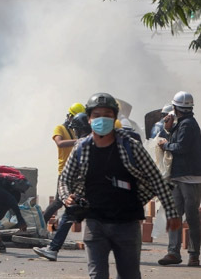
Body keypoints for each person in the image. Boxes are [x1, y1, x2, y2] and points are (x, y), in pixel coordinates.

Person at [59, 92, 181, 278]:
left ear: (114, 117)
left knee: (129, 275)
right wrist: (66, 196)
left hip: (127, 224)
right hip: (95, 223)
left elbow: (156, 178)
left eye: (107, 115)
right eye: (96, 115)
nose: (102, 120)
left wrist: (171, 213)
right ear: (89, 119)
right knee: (97, 275)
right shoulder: (81, 148)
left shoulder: (130, 147)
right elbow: (65, 179)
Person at [34, 111, 90, 261]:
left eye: (76, 129)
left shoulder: (81, 145)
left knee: (68, 213)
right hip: (95, 192)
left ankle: (52, 248)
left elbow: (72, 174)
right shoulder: (101, 142)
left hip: (86, 191)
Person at [157, 91, 201, 267]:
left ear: (176, 108)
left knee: (191, 218)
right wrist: (168, 129)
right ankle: (173, 252)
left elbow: (181, 147)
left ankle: (193, 254)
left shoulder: (188, 125)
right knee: (174, 215)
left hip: (190, 179)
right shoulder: (182, 124)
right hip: (179, 177)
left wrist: (165, 144)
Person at [42, 103, 85, 224]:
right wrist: (79, 141)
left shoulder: (75, 131)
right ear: (70, 116)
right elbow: (59, 143)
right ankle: (41, 224)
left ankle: (57, 229)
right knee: (58, 202)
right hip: (65, 171)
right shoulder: (60, 128)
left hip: (77, 171)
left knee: (73, 202)